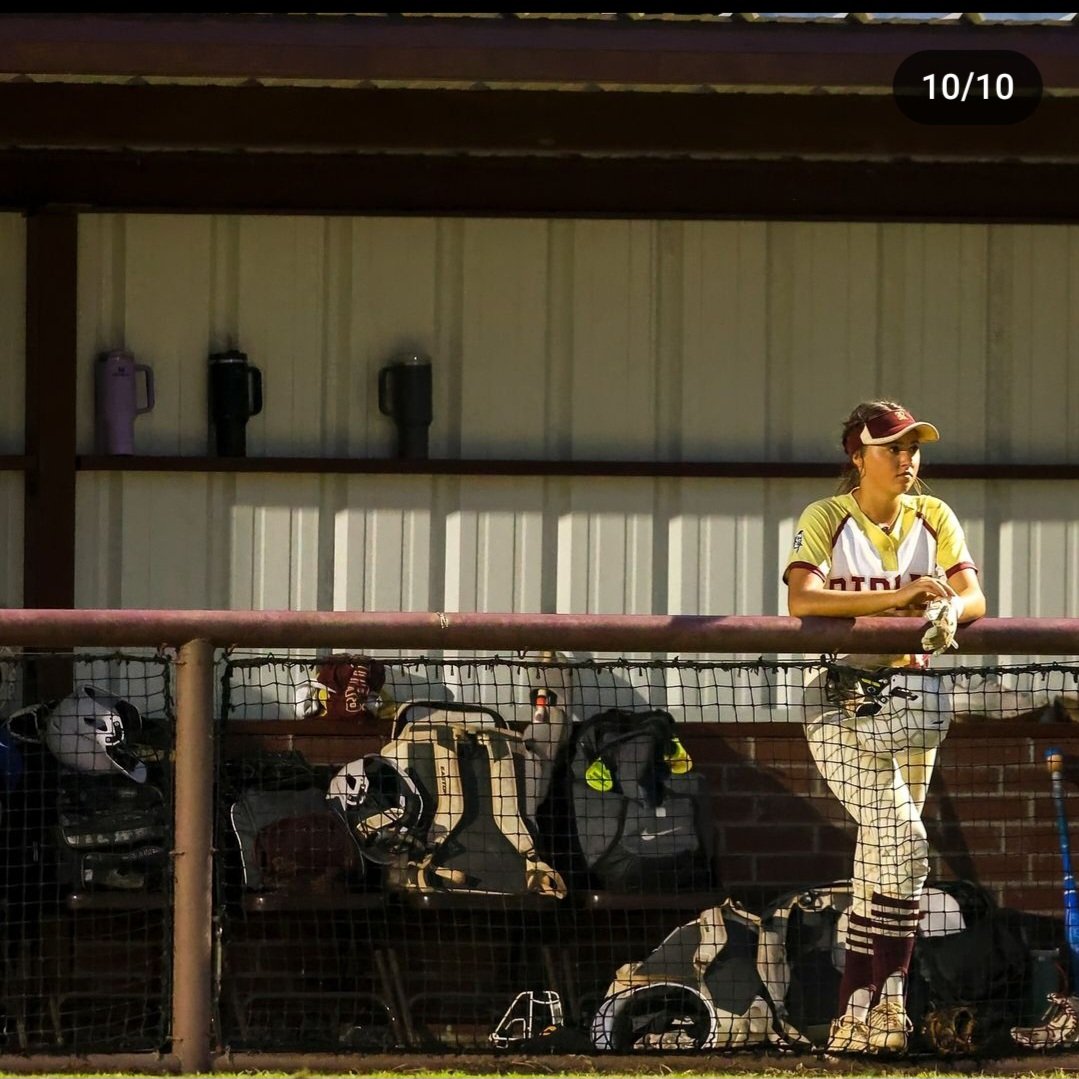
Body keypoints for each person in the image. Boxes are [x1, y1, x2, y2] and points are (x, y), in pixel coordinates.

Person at [783, 400, 986, 1056]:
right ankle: (887, 1002)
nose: (906, 459)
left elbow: (975, 597)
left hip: (910, 699)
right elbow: (801, 599)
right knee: (903, 840)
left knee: (886, 858)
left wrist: (953, 605)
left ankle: (858, 1013)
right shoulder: (825, 515)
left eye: (912, 447)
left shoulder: (933, 514)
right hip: (837, 701)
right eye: (891, 447)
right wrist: (896, 600)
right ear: (857, 454)